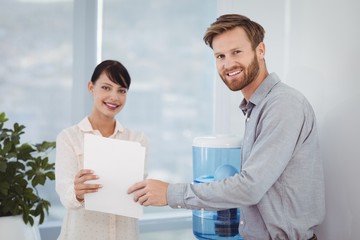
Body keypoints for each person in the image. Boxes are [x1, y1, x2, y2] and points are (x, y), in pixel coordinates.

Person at [127, 14, 324, 240]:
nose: (228, 64)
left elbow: (250, 188)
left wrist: (170, 193)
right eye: (220, 56)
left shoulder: (283, 104)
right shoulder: (255, 109)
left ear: (260, 50)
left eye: (236, 52)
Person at [55, 59, 148, 240]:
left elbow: (136, 193)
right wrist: (77, 192)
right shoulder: (69, 138)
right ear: (91, 88)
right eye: (106, 88)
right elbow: (65, 194)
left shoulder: (137, 141)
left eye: (121, 90)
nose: (114, 97)